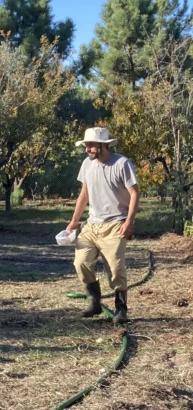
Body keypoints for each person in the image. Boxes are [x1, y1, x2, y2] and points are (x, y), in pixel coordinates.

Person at [66, 127, 140, 326]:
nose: (87, 149)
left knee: (115, 268)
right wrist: (74, 221)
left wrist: (129, 222)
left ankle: (121, 308)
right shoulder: (87, 164)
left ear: (103, 145)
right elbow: (84, 194)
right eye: (86, 145)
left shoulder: (121, 163)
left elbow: (134, 193)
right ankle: (94, 301)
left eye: (91, 145)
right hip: (92, 224)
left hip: (116, 223)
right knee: (81, 262)